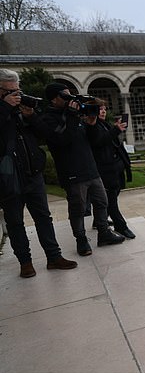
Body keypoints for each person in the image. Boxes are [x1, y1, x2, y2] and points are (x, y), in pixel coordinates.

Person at [0, 69, 77, 277]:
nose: (16, 95)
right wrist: (5, 108)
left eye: (17, 90)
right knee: (15, 222)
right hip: (8, 179)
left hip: (33, 174)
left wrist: (31, 116)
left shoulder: (21, 110)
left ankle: (54, 257)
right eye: (9, 92)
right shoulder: (5, 109)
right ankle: (25, 263)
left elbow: (46, 134)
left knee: (44, 217)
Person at [37, 83, 124, 256]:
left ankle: (104, 233)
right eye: (65, 96)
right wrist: (71, 115)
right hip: (72, 173)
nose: (70, 99)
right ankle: (81, 240)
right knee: (78, 209)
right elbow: (62, 140)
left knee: (102, 202)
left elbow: (92, 141)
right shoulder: (49, 118)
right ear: (54, 98)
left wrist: (91, 124)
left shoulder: (76, 116)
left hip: (91, 168)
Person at [87, 99, 135, 239]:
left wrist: (115, 129)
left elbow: (111, 142)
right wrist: (115, 130)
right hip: (105, 170)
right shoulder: (92, 126)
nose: (103, 111)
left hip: (114, 168)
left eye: (104, 109)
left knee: (113, 194)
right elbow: (99, 142)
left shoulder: (104, 124)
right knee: (111, 201)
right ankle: (121, 227)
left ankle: (98, 220)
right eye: (100, 109)